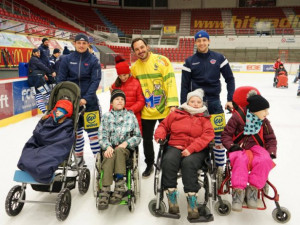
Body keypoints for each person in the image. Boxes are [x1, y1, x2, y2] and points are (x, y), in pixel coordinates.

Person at [154, 89, 215, 219]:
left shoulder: (204, 118)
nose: (195, 104)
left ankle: (192, 202)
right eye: (192, 101)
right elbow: (163, 126)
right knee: (169, 160)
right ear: (187, 102)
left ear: (202, 104)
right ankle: (171, 197)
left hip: (196, 150)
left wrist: (191, 149)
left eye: (198, 101)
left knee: (189, 163)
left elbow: (208, 135)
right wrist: (160, 136)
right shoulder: (176, 113)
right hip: (175, 145)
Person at [180, 30, 235, 173]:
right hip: (197, 105)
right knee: (197, 134)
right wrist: (183, 105)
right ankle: (200, 163)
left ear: (209, 41)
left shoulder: (219, 58)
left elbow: (230, 79)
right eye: (199, 41)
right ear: (195, 42)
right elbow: (184, 86)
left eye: (204, 40)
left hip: (215, 103)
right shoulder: (190, 61)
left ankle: (219, 166)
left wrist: (230, 99)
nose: (202, 43)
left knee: (219, 134)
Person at [221, 89, 277, 212]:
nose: (267, 113)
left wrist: (271, 151)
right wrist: (231, 146)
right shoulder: (237, 118)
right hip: (238, 146)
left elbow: (271, 138)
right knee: (240, 160)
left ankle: (253, 189)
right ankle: (238, 193)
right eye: (265, 110)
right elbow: (226, 135)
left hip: (256, 147)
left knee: (265, 159)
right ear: (256, 110)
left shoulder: (264, 122)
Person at [130, 37, 179, 177]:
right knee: (146, 140)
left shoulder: (162, 61)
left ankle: (168, 163)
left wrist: (173, 104)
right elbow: (131, 87)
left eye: (142, 47)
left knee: (169, 138)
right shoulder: (134, 68)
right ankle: (150, 164)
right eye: (137, 49)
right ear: (134, 52)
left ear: (147, 46)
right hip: (146, 111)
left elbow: (170, 82)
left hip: (164, 109)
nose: (140, 51)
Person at [57, 33, 102, 166]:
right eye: (79, 43)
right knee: (77, 133)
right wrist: (67, 98)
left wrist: (86, 99)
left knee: (93, 133)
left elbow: (95, 81)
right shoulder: (66, 59)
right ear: (74, 43)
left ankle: (99, 161)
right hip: (71, 103)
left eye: (84, 43)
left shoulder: (94, 60)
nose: (81, 45)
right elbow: (61, 80)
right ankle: (79, 159)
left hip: (90, 104)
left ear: (88, 44)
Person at [98, 89, 142, 210]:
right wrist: (107, 146)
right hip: (109, 148)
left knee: (118, 151)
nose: (120, 101)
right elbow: (101, 135)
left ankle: (119, 185)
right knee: (109, 154)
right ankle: (105, 189)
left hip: (125, 150)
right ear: (112, 102)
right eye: (117, 99)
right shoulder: (106, 117)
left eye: (122, 99)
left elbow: (138, 136)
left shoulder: (130, 116)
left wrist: (126, 143)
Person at [17, 98, 75, 183]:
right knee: (28, 153)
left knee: (45, 159)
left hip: (55, 147)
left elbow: (64, 140)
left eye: (61, 111)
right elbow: (38, 132)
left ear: (66, 113)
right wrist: (42, 122)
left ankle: (41, 172)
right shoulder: (47, 120)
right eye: (57, 110)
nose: (58, 112)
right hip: (41, 144)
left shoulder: (67, 125)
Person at [110, 55, 145, 134]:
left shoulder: (136, 83)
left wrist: (130, 110)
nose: (122, 78)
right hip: (118, 121)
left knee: (133, 144)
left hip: (133, 119)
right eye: (120, 75)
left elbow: (141, 101)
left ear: (128, 72)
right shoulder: (115, 85)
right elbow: (112, 103)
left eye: (124, 75)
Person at [28, 48, 55, 114]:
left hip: (32, 81)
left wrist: (44, 74)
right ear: (33, 53)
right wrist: (51, 71)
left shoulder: (32, 60)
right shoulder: (35, 59)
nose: (38, 54)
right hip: (38, 80)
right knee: (47, 93)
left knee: (38, 95)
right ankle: (54, 108)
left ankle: (44, 111)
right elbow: (42, 66)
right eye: (37, 53)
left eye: (39, 53)